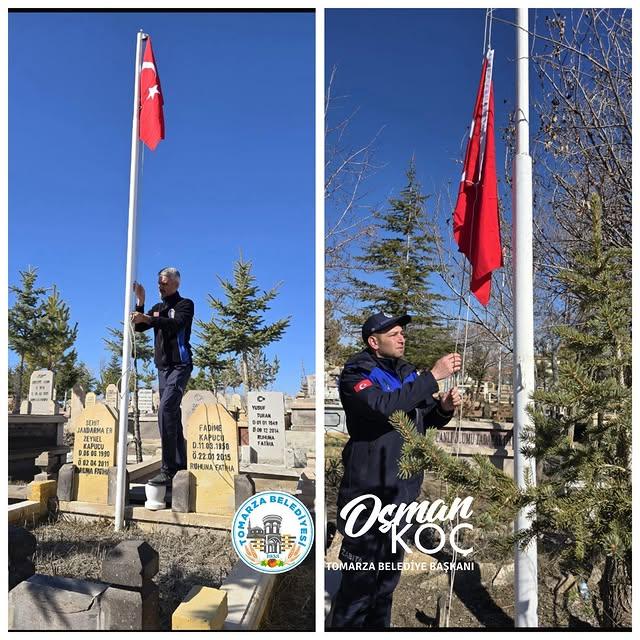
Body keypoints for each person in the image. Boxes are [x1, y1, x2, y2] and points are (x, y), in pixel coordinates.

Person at [331, 312, 462, 629]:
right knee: (358, 588)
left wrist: (442, 408)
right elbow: (383, 407)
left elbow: (420, 418)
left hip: (402, 495)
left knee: (386, 585)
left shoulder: (406, 373)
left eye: (403, 332)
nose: (402, 338)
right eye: (394, 334)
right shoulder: (356, 373)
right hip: (367, 496)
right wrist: (432, 377)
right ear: (373, 342)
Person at [131, 267, 194, 485]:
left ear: (176, 283)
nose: (161, 285)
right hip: (163, 369)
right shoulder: (157, 308)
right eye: (159, 282)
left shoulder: (185, 305)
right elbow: (139, 328)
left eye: (164, 282)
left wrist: (148, 319)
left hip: (180, 366)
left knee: (165, 409)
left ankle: (167, 469)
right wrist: (140, 301)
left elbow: (176, 324)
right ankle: (179, 463)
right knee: (171, 414)